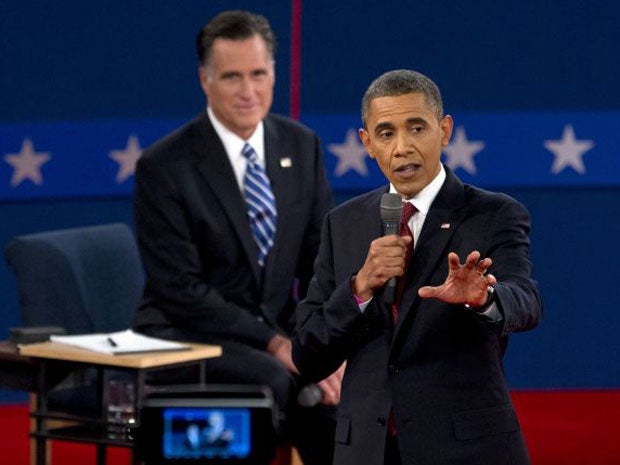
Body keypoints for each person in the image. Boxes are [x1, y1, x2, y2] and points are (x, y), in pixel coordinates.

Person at [291, 69, 543, 465]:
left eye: (417, 128)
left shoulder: (493, 214)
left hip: (464, 450)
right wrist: (359, 287)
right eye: (386, 133)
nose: (402, 147)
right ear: (367, 142)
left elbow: (526, 300)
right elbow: (308, 353)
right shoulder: (342, 224)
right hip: (366, 451)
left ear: (444, 131)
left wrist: (485, 299)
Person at [132, 10, 341, 465]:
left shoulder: (300, 146)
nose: (248, 92)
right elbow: (180, 290)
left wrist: (327, 341)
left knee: (347, 385)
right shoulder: (165, 166)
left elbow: (319, 263)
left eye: (258, 74)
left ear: (273, 74)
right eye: (231, 77)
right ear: (205, 81)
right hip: (187, 334)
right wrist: (277, 343)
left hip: (273, 332)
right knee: (273, 378)